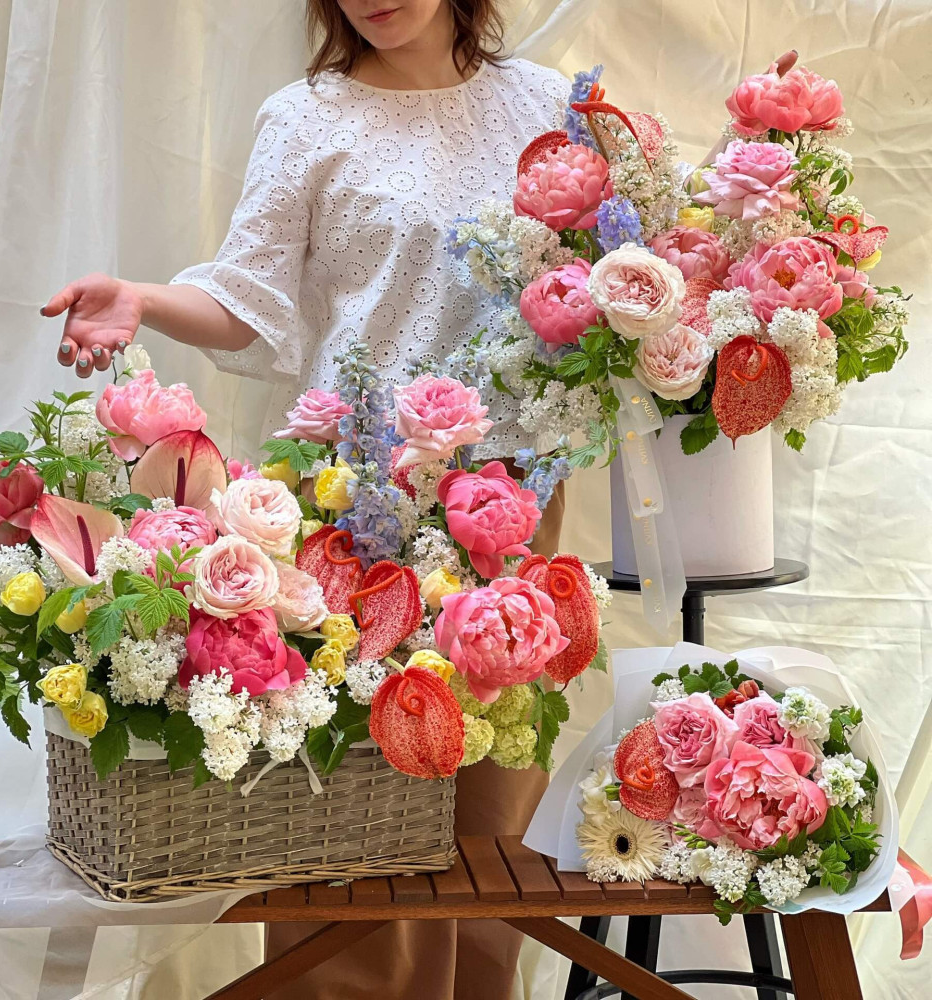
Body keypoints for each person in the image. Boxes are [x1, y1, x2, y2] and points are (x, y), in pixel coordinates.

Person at [40, 3, 796, 995]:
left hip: (511, 508)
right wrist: (142, 298)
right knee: (346, 814)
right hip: (354, 508)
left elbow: (644, 262)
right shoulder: (305, 116)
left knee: (493, 814)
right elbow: (247, 301)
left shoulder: (549, 107)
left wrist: (760, 157)